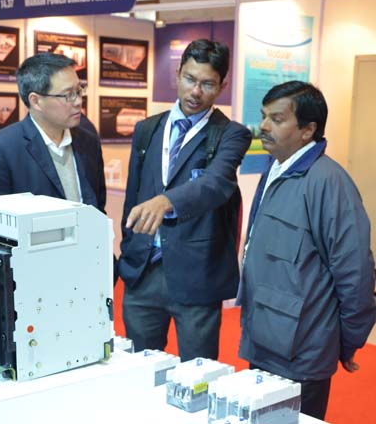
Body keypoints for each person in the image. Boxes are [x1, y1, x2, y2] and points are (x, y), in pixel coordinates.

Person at [238, 81, 376, 420]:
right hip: (263, 338)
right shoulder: (275, 168)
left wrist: (347, 341)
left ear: (308, 130)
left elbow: (356, 275)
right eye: (264, 116)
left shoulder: (329, 183)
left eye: (277, 119)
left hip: (301, 350)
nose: (263, 126)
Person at [118, 39, 251, 361]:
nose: (196, 92)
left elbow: (215, 183)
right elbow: (134, 193)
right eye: (190, 79)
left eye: (208, 84)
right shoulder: (148, 129)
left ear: (222, 86)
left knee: (197, 375)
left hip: (197, 275)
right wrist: (129, 247)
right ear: (178, 73)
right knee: (139, 369)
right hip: (144, 271)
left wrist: (166, 201)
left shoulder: (230, 134)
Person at [0, 52, 106, 213]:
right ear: (36, 101)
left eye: (79, 91)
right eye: (68, 95)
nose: (78, 101)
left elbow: (98, 208)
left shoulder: (88, 142)